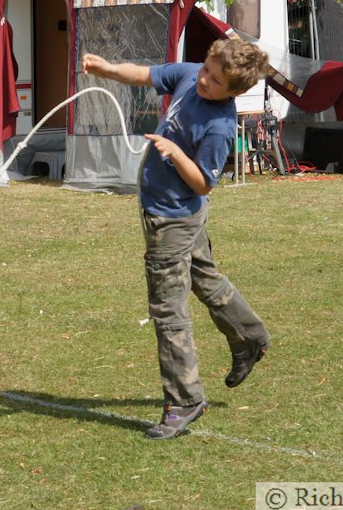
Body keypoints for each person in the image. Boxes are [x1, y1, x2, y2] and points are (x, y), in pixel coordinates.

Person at [82, 39, 272, 440]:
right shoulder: (190, 75)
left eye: (215, 80)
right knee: (205, 277)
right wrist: (107, 70)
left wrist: (174, 152)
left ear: (235, 91)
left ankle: (185, 400)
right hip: (165, 210)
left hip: (175, 219)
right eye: (205, 69)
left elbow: (204, 182)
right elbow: (146, 74)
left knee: (168, 310)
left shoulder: (220, 126)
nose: (203, 80)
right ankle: (249, 338)